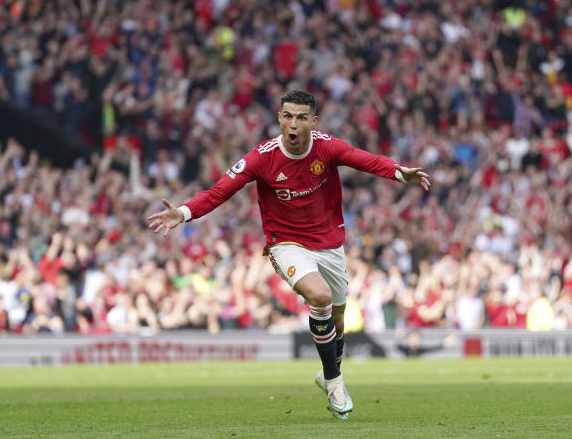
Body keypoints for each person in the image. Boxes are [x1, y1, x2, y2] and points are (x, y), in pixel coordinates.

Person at [147, 90, 431, 419]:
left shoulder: (327, 147)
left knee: (338, 321)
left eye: (300, 117)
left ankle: (327, 373)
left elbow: (363, 158)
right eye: (287, 116)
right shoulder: (261, 157)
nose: (293, 124)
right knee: (320, 296)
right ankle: (336, 382)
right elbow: (218, 192)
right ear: (279, 118)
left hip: (329, 244)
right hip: (286, 244)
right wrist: (182, 213)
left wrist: (398, 172)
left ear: (313, 121)